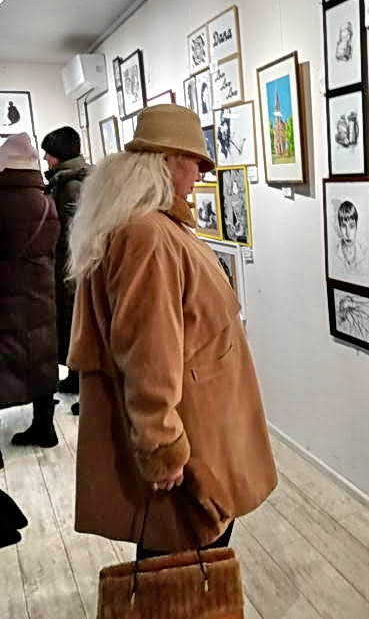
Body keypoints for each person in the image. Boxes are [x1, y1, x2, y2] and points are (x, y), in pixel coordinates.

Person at [67, 104, 277, 559]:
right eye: (195, 162)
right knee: (187, 558)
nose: (200, 174)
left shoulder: (147, 226)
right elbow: (148, 352)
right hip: (191, 431)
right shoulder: (148, 236)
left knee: (187, 553)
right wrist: (163, 446)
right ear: (165, 161)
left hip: (200, 420)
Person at [0, 133, 60, 454]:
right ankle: (45, 428)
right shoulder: (46, 201)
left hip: (6, 296)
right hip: (41, 295)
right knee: (42, 359)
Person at [41, 126, 90, 414]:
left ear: (58, 155)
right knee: (73, 323)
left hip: (72, 266)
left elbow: (71, 234)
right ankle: (74, 378)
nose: (45, 159)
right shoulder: (72, 179)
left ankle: (85, 386)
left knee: (76, 323)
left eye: (48, 153)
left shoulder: (70, 185)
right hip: (73, 264)